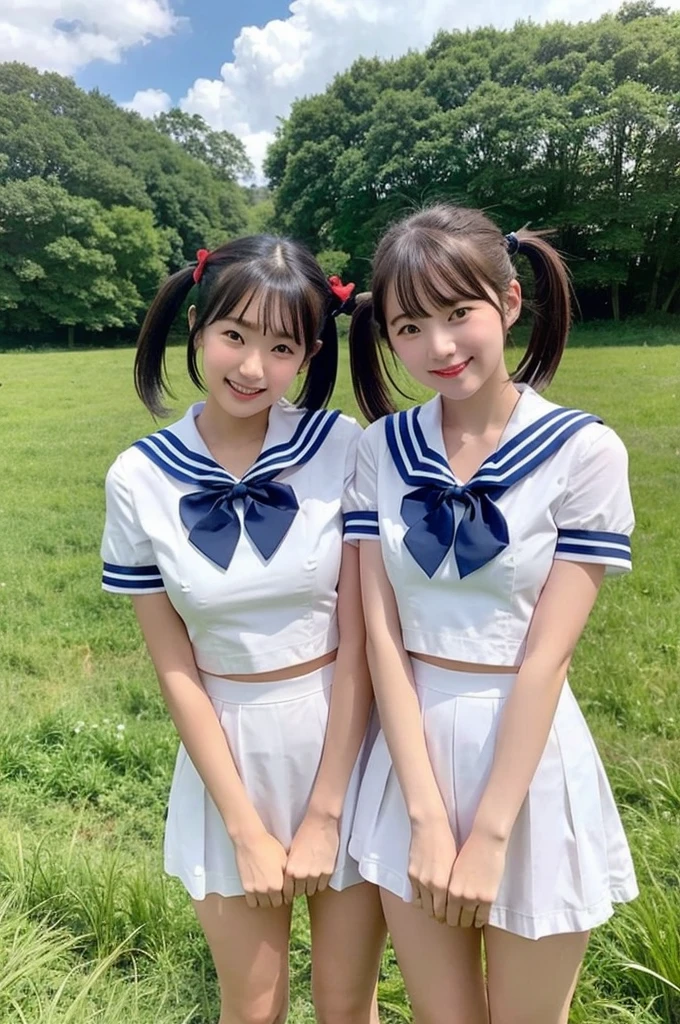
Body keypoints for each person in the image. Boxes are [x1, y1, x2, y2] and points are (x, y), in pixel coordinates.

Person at [344, 205, 637, 1024]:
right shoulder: (379, 452)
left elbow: (547, 659)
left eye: (457, 312)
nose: (438, 346)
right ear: (387, 338)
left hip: (528, 761)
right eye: (409, 325)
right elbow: (382, 639)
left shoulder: (583, 452)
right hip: (413, 758)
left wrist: (492, 833)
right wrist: (429, 821)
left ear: (509, 303)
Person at [100, 237, 385, 1024]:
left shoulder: (342, 448)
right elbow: (175, 669)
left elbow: (362, 639)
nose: (253, 367)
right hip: (227, 755)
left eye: (281, 345)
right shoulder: (141, 477)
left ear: (308, 354)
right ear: (198, 330)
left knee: (345, 1008)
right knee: (252, 1008)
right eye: (235, 336)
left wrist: (327, 810)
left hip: (343, 750)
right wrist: (246, 828)